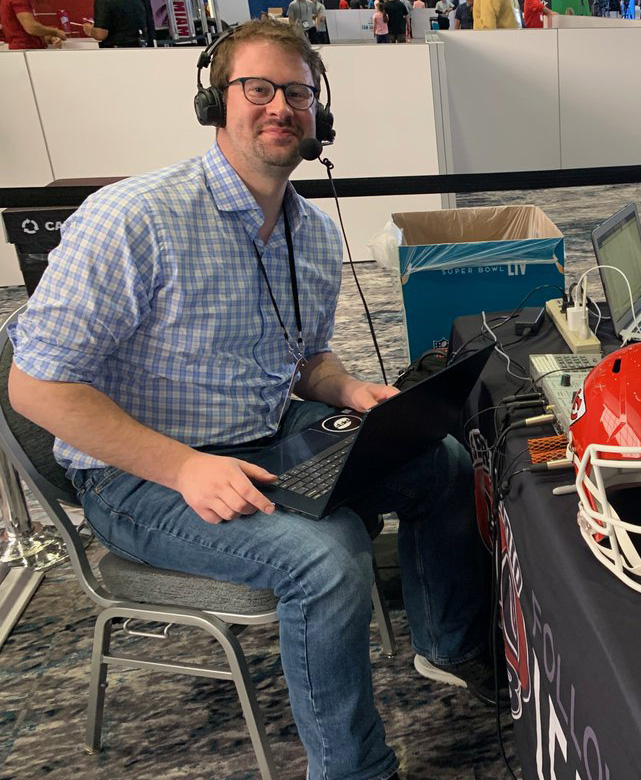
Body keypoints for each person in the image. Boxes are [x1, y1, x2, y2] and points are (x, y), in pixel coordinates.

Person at [7, 20, 493, 780]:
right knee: (327, 558)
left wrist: (346, 387)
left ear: (317, 113)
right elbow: (34, 387)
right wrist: (182, 467)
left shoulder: (310, 233)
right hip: (139, 477)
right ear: (215, 101)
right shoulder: (133, 219)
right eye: (257, 88)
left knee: (439, 457)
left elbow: (304, 362)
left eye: (296, 93)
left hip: (262, 433)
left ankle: (448, 648)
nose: (279, 107)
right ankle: (352, 771)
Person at [82, 0, 155, 47]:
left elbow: (100, 34)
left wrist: (90, 30)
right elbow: (149, 24)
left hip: (116, 52)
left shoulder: (103, 2)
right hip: (141, 48)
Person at [0, 0, 65, 49]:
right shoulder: (19, 1)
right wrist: (55, 32)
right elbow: (31, 28)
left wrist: (50, 37)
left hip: (22, 49)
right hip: (25, 50)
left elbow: (22, 31)